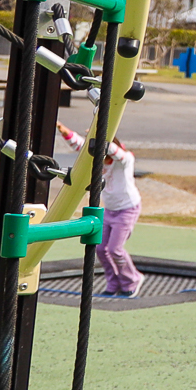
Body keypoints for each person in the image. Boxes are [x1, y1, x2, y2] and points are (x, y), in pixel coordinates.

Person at [56, 123, 143, 296]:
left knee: (115, 250)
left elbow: (116, 153)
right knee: (101, 248)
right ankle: (114, 283)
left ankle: (132, 279)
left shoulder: (125, 160)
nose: (103, 162)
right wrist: (63, 130)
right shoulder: (99, 160)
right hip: (110, 210)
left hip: (127, 209)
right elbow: (82, 147)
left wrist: (101, 136)